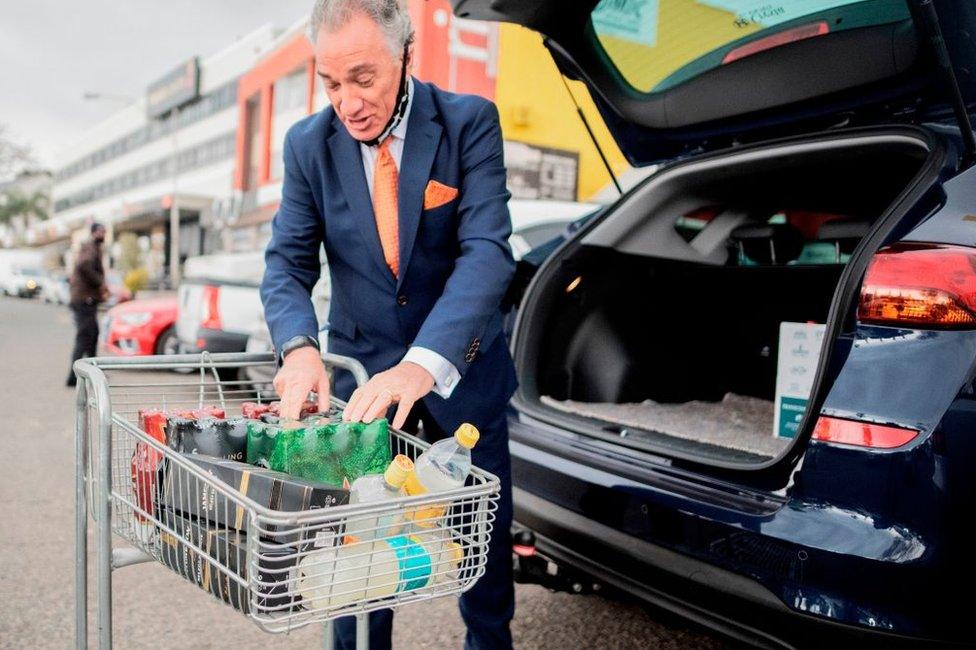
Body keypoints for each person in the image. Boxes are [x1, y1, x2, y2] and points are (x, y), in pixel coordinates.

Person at [259, 1, 517, 647]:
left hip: (463, 379)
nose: (348, 102)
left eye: (363, 78)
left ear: (407, 56)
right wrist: (298, 348)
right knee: (356, 563)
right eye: (331, 82)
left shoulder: (468, 123)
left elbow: (487, 253)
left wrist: (422, 362)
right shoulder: (306, 146)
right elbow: (287, 266)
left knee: (480, 557)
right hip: (362, 387)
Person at [66, 222, 108, 386]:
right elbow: (84, 264)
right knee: (84, 337)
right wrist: (100, 283)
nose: (103, 234)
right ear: (93, 233)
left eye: (104, 231)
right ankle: (72, 377)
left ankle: (93, 372)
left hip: (86, 300)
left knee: (93, 335)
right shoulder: (90, 246)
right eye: (100, 231)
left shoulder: (93, 247)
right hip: (83, 300)